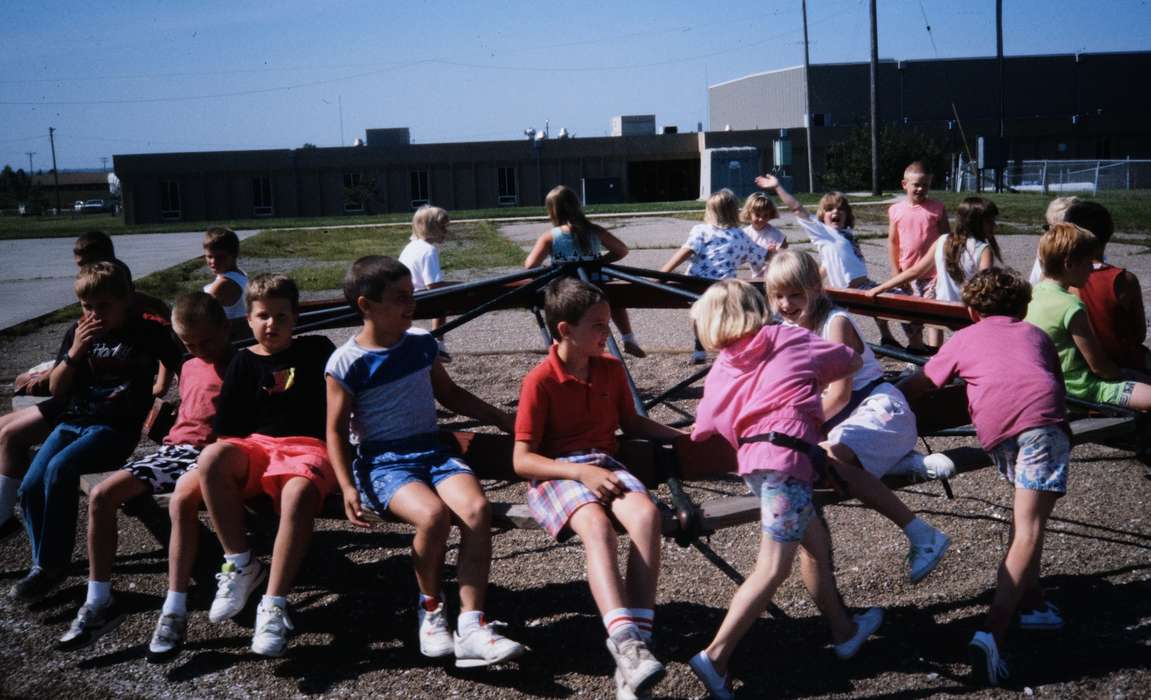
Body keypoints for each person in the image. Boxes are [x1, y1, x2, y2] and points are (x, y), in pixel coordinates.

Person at [326, 255, 526, 668]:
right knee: (433, 517)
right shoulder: (346, 362)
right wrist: (346, 485)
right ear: (366, 305)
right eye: (400, 298)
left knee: (476, 510)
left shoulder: (421, 343)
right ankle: (431, 609)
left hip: (433, 452)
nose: (410, 304)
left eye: (411, 295)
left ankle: (471, 624)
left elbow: (450, 395)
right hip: (384, 464)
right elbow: (333, 430)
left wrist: (502, 418)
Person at [685, 279, 872, 699]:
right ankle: (715, 656)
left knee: (816, 544)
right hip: (787, 464)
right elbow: (851, 361)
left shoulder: (723, 365)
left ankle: (845, 630)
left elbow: (702, 427)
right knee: (773, 565)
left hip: (755, 467)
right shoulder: (790, 338)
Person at [512, 277, 684, 699]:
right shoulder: (540, 380)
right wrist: (579, 474)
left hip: (603, 464)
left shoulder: (609, 368)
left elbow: (633, 423)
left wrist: (684, 436)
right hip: (558, 473)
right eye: (597, 326)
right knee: (597, 528)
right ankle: (626, 643)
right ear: (564, 330)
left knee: (646, 517)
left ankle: (636, 648)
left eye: (607, 323)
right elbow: (521, 460)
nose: (606, 333)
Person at [898, 268, 1071, 686]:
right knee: (1029, 529)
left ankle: (1035, 604)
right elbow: (1056, 385)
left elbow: (919, 384)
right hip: (1042, 427)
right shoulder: (1036, 335)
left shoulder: (964, 338)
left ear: (972, 311)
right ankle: (991, 631)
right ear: (1024, 306)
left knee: (1023, 521)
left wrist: (874, 402)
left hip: (1000, 434)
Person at [56, 292, 234, 658]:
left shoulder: (242, 366)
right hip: (173, 452)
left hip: (215, 456)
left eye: (208, 341)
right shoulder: (189, 365)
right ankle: (99, 599)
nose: (200, 350)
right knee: (103, 495)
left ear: (225, 329)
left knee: (180, 502)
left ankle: (174, 608)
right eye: (190, 344)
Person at [767, 251, 954, 582]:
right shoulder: (787, 328)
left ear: (815, 287)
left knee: (824, 459)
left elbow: (838, 394)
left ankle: (923, 534)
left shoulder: (834, 323)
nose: (785, 303)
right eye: (778, 295)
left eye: (795, 293)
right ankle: (904, 462)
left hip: (879, 412)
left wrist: (793, 431)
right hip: (849, 421)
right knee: (810, 464)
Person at [9, 262, 182, 602]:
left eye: (104, 306)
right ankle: (42, 563)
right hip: (73, 421)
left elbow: (183, 366)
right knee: (30, 486)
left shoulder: (147, 332)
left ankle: (50, 567)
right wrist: (75, 352)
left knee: (60, 471)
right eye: (87, 306)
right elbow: (58, 389)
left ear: (127, 301)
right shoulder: (78, 332)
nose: (94, 314)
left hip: (114, 428)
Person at [194, 274, 339, 657]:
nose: (271, 324)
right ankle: (240, 562)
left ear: (295, 319)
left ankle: (273, 604)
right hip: (258, 447)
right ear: (249, 318)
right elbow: (227, 433)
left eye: (281, 316)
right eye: (262, 316)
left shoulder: (317, 350)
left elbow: (347, 398)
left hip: (308, 448)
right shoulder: (242, 361)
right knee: (211, 458)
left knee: (300, 490)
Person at [754, 174, 900, 347]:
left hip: (865, 285)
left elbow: (827, 265)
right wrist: (778, 187)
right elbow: (797, 208)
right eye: (830, 209)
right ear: (822, 216)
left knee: (899, 298)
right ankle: (913, 346)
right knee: (901, 303)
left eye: (840, 209)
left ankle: (888, 338)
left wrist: (813, 279)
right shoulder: (822, 233)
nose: (836, 212)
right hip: (852, 290)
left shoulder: (846, 235)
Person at [1026, 224, 1151, 410]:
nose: (1092, 270)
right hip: (1082, 389)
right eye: (1088, 263)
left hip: (1046, 383)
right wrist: (1122, 374)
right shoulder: (1070, 305)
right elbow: (1099, 366)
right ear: (1069, 264)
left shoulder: (1032, 294)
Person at [525, 185, 646, 358]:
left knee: (553, 303)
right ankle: (628, 338)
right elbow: (622, 250)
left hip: (567, 291)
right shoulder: (594, 231)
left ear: (552, 210)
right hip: (596, 288)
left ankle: (558, 343)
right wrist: (600, 261)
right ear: (577, 206)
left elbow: (530, 266)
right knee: (616, 299)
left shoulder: (551, 236)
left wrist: (549, 269)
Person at [660, 189, 767, 363]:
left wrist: (663, 272)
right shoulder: (741, 235)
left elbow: (686, 252)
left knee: (697, 314)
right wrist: (774, 253)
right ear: (734, 211)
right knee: (725, 314)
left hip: (696, 285)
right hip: (724, 287)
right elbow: (760, 257)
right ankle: (728, 348)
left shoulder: (701, 230)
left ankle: (699, 348)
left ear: (710, 211)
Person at [1065, 201, 1150, 375]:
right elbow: (1140, 334)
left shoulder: (1060, 277)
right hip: (1124, 364)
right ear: (1108, 234)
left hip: (1079, 366)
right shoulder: (1125, 280)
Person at [867, 197, 1003, 303]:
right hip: (965, 311)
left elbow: (916, 270)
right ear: (976, 222)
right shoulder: (983, 250)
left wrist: (881, 288)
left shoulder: (942, 240)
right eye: (991, 221)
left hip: (940, 306)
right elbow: (985, 286)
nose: (995, 225)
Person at [887, 162, 950, 351]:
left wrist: (946, 269)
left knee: (932, 315)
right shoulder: (896, 210)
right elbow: (893, 241)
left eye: (926, 185)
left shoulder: (937, 208)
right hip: (907, 273)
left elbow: (947, 239)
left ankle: (934, 355)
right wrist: (895, 271)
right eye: (916, 184)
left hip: (933, 274)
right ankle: (916, 351)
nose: (921, 189)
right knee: (908, 316)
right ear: (904, 184)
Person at [399, 206, 454, 362]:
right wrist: (457, 285)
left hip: (406, 295)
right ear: (432, 228)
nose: (446, 231)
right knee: (443, 299)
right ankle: (438, 343)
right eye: (443, 226)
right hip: (419, 298)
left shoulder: (411, 246)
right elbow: (433, 285)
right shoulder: (429, 251)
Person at [1028, 196, 1081, 285]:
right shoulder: (1045, 250)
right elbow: (1034, 281)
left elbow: (1034, 283)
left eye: (1052, 229)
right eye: (1048, 228)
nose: (1048, 234)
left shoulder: (1084, 258)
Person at [202, 226, 249, 321]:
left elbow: (200, 316)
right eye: (209, 256)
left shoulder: (224, 284)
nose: (213, 261)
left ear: (234, 254)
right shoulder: (240, 274)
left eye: (220, 257)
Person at [740, 191, 787, 277]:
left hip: (775, 276)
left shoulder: (775, 234)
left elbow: (785, 255)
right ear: (749, 213)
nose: (761, 219)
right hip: (756, 276)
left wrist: (776, 252)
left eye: (765, 215)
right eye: (757, 215)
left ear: (770, 215)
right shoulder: (745, 234)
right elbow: (740, 257)